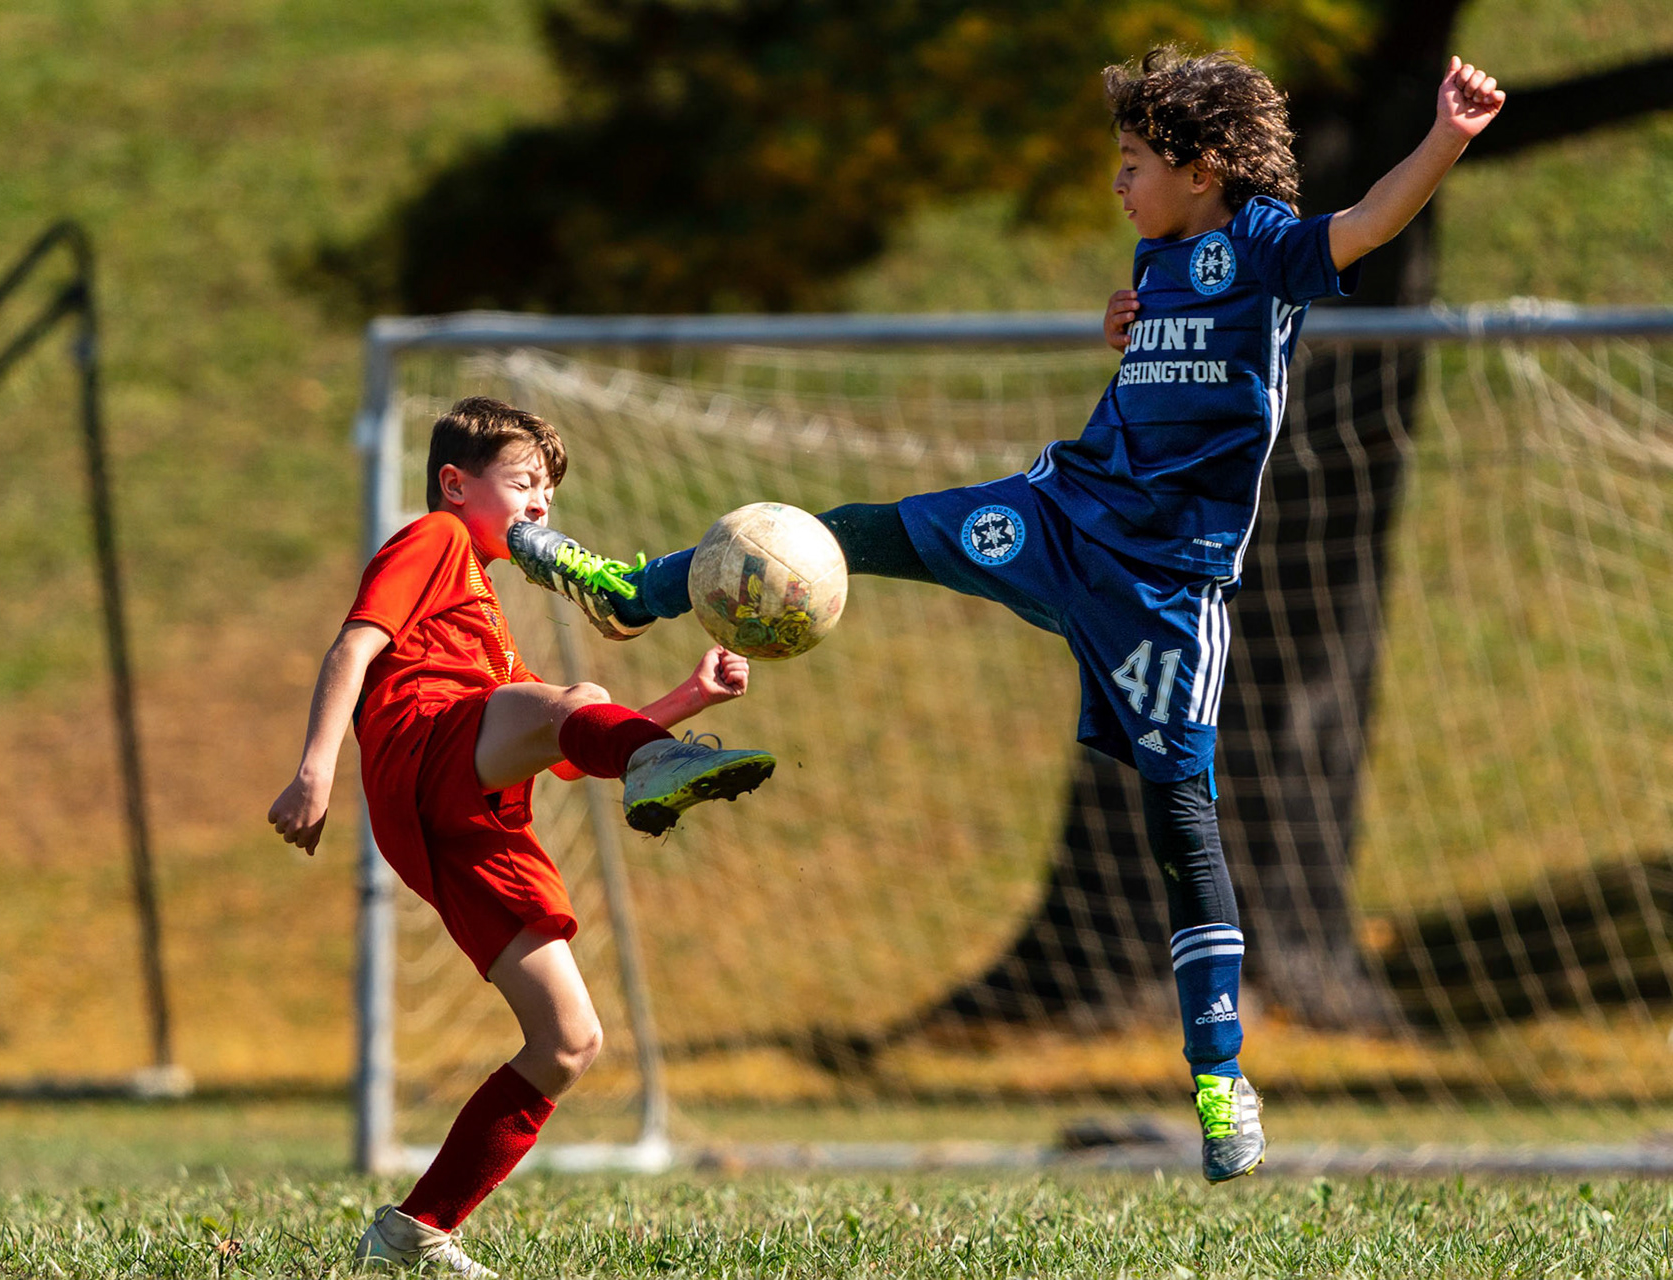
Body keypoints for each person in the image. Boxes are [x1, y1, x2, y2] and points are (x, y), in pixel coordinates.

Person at [505, 50, 1506, 1182]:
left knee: (1181, 819)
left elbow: (1372, 220)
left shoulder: (1269, 245)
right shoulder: (1159, 251)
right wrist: (1127, 318)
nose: (1118, 185)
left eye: (1133, 164)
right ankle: (638, 590)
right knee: (850, 530)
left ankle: (1219, 1069)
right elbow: (1151, 336)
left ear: (1205, 167)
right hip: (1059, 510)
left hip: (1167, 587)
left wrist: (1449, 137)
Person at [268, 396, 773, 1276]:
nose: (541, 505)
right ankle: (656, 764)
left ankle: (412, 1233)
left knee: (568, 1042)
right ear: (456, 484)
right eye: (524, 483)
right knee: (573, 703)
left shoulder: (491, 626)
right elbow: (353, 648)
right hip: (424, 746)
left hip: (468, 819)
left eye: (548, 491)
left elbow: (570, 757)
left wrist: (688, 700)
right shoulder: (433, 539)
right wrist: (315, 768)